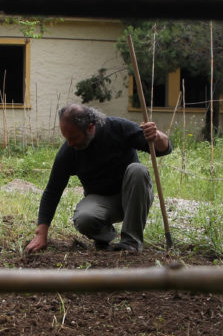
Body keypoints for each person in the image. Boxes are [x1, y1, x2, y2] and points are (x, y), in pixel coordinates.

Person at [25, 103, 171, 254]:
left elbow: (163, 149)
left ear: (90, 127)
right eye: (66, 138)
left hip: (134, 196)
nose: (69, 143)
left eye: (73, 137)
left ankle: (131, 242)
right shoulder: (69, 151)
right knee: (83, 218)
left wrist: (157, 136)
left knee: (138, 170)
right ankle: (105, 237)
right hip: (103, 202)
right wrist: (41, 234)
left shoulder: (118, 128)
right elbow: (52, 191)